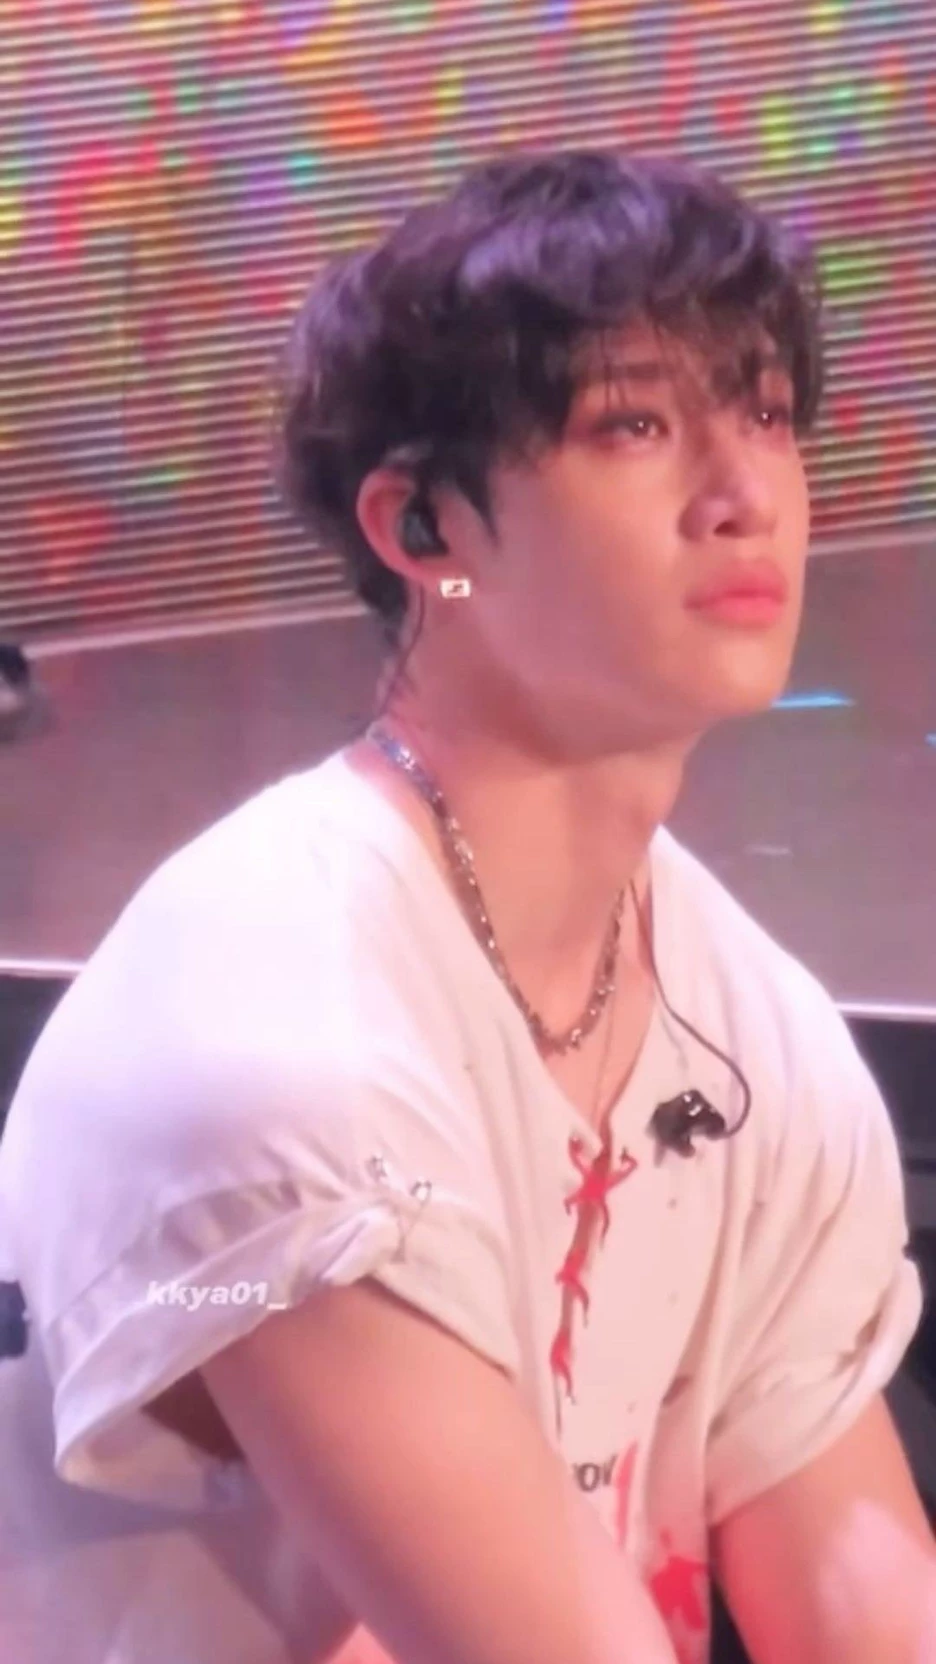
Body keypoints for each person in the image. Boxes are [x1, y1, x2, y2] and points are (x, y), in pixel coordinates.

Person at [0, 149, 933, 1664]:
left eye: (767, 415)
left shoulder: (753, 1028)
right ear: (424, 530)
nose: (744, 495)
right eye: (636, 425)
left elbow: (868, 1609)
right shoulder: (270, 1038)